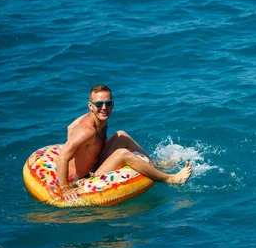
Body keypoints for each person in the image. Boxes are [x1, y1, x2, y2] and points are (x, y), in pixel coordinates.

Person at [57, 84, 192, 202]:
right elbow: (63, 157)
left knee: (121, 135)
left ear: (113, 104)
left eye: (108, 103)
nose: (104, 108)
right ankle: (170, 179)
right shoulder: (87, 130)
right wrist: (64, 188)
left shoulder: (99, 119)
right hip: (83, 177)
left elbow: (70, 128)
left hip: (95, 164)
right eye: (99, 104)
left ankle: (154, 165)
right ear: (90, 106)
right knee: (122, 154)